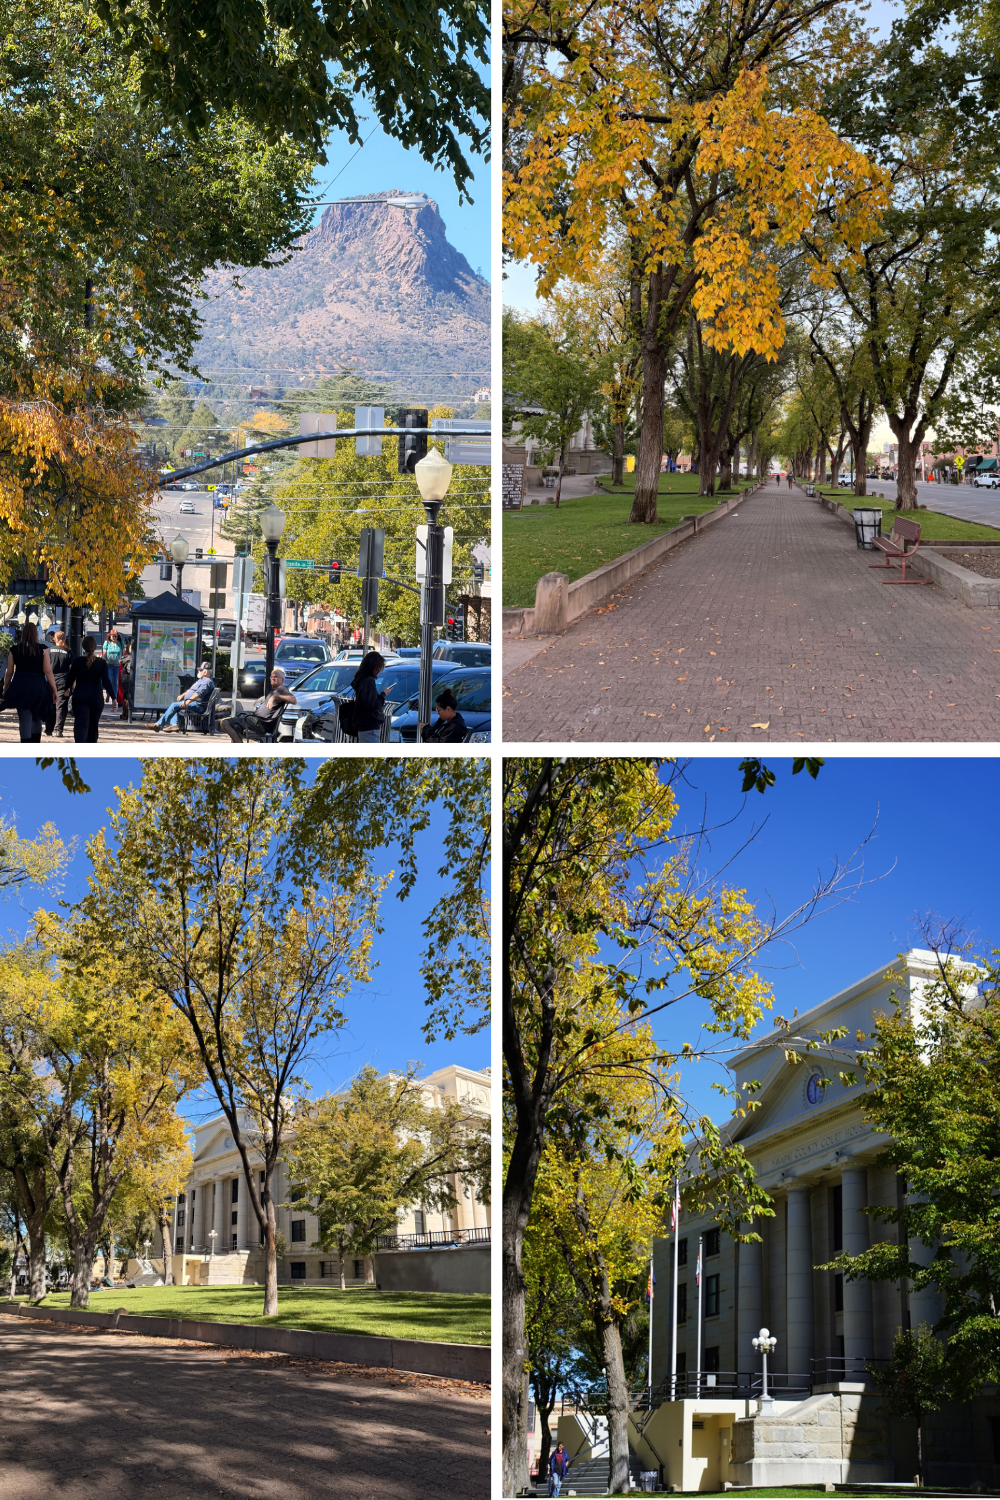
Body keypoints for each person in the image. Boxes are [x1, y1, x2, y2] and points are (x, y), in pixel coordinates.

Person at [2, 622, 58, 742]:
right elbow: (48, 671)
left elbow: (9, 672)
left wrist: (6, 688)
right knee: (37, 717)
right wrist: (54, 689)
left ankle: (26, 744)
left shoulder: (14, 650)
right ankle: (35, 744)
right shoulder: (43, 650)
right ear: (35, 634)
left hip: (20, 686)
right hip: (38, 686)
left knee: (24, 717)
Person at [219, 667, 296, 742]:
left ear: (282, 680)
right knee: (235, 725)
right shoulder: (275, 690)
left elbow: (293, 700)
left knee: (224, 722)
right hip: (255, 721)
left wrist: (274, 697)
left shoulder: (281, 689)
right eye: (271, 677)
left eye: (275, 677)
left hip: (260, 724)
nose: (273, 678)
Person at [66, 635, 115, 742]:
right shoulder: (101, 663)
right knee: (93, 725)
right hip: (96, 697)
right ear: (94, 647)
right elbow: (106, 681)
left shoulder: (78, 661)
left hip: (80, 696)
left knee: (80, 725)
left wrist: (66, 689)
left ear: (83, 646)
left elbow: (70, 678)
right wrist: (113, 698)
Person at [152, 663, 215, 731]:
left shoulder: (207, 682)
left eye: (200, 670)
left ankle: (158, 725)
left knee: (175, 705)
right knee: (176, 705)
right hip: (193, 703)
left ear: (205, 672)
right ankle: (173, 725)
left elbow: (198, 694)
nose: (198, 671)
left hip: (199, 706)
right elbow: (191, 690)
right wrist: (182, 695)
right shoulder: (201, 680)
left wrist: (187, 702)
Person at [350, 650, 386, 743]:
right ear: (374, 667)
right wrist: (383, 694)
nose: (378, 670)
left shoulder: (361, 680)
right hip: (370, 726)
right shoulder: (368, 681)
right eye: (378, 667)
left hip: (364, 726)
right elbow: (372, 704)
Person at [45, 630, 72, 737]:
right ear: (64, 639)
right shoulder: (69, 652)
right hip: (63, 683)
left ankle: (48, 729)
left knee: (50, 706)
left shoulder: (49, 651)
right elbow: (72, 670)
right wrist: (70, 686)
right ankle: (58, 730)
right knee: (60, 707)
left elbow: (45, 667)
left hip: (50, 682)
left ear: (54, 639)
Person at [103, 626, 124, 702]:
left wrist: (121, 659)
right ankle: (108, 694)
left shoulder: (119, 643)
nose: (114, 638)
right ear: (110, 636)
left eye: (116, 636)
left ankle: (114, 697)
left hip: (116, 665)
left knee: (116, 682)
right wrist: (104, 658)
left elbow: (122, 652)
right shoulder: (107, 643)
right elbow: (104, 652)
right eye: (113, 636)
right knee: (108, 681)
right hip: (109, 665)